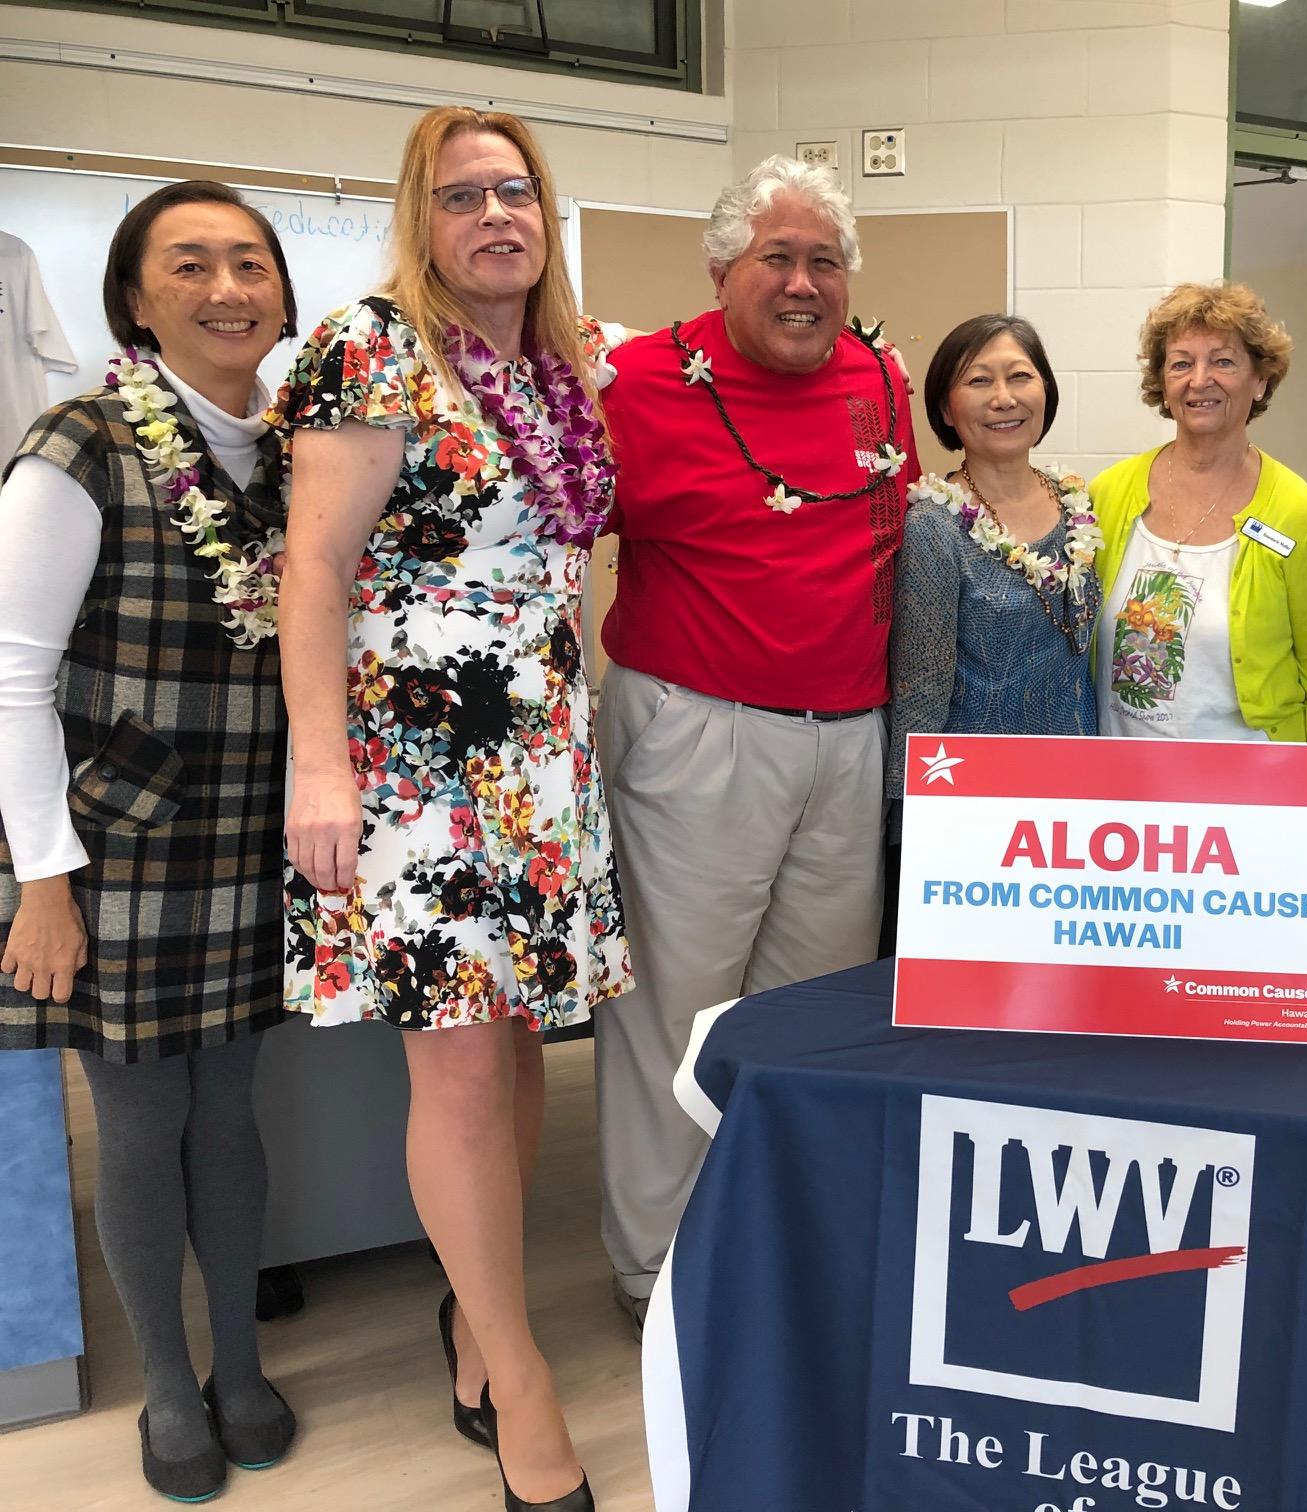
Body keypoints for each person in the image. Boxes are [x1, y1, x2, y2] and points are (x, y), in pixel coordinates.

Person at [274, 106, 629, 1512]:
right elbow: (314, 570)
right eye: (463, 193)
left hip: (540, 756)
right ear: (421, 216)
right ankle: (520, 1374)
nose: (497, 215)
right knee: (463, 1071)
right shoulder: (371, 345)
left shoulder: (560, 366)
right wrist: (322, 765)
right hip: (413, 763)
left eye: (519, 190)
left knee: (527, 1050)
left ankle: (479, 1328)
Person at [0, 181, 299, 1501]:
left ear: (283, 296)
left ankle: (240, 1361)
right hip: (118, 850)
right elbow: (9, 674)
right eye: (192, 265)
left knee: (230, 1113)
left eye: (251, 263)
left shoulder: (298, 452)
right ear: (135, 299)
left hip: (251, 834)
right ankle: (170, 1389)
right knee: (137, 1123)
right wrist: (40, 881)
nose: (228, 287)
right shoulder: (77, 445)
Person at [594, 156, 920, 1331]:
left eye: (823, 261)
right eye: (776, 258)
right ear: (722, 267)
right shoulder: (632, 382)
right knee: (675, 1013)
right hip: (697, 733)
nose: (801, 282)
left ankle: (789, 1240)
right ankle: (657, 1269)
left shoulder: (878, 377)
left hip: (848, 741)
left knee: (813, 1014)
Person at [1092, 281, 1307, 744]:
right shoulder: (1107, 494)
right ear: (1163, 385)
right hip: (1120, 784)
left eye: (1223, 361)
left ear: (1260, 379)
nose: (1199, 379)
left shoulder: (1297, 511)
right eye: (1181, 363)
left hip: (1248, 791)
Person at [886, 314, 1100, 820]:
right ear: (945, 407)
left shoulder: (1075, 501)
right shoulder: (934, 526)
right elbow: (921, 687)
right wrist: (907, 816)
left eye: (1020, 376)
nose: (1004, 398)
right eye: (979, 380)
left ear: (1045, 390)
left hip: (1078, 775)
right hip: (976, 794)